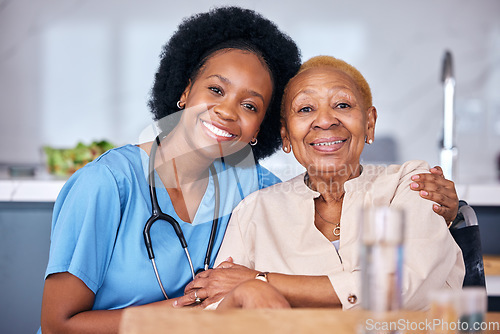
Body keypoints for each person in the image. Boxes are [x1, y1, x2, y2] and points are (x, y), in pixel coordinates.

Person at [39, 6, 302, 333]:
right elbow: (57, 325)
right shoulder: (107, 184)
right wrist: (184, 314)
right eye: (216, 90)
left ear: (260, 128)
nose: (226, 111)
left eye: (250, 106)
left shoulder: (257, 188)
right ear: (184, 91)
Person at [181, 56, 465, 311]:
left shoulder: (410, 183)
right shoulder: (255, 210)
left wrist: (260, 281)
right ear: (286, 136)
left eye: (342, 105)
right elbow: (216, 307)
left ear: (369, 123)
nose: (326, 121)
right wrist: (250, 293)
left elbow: (404, 289)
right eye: (305, 109)